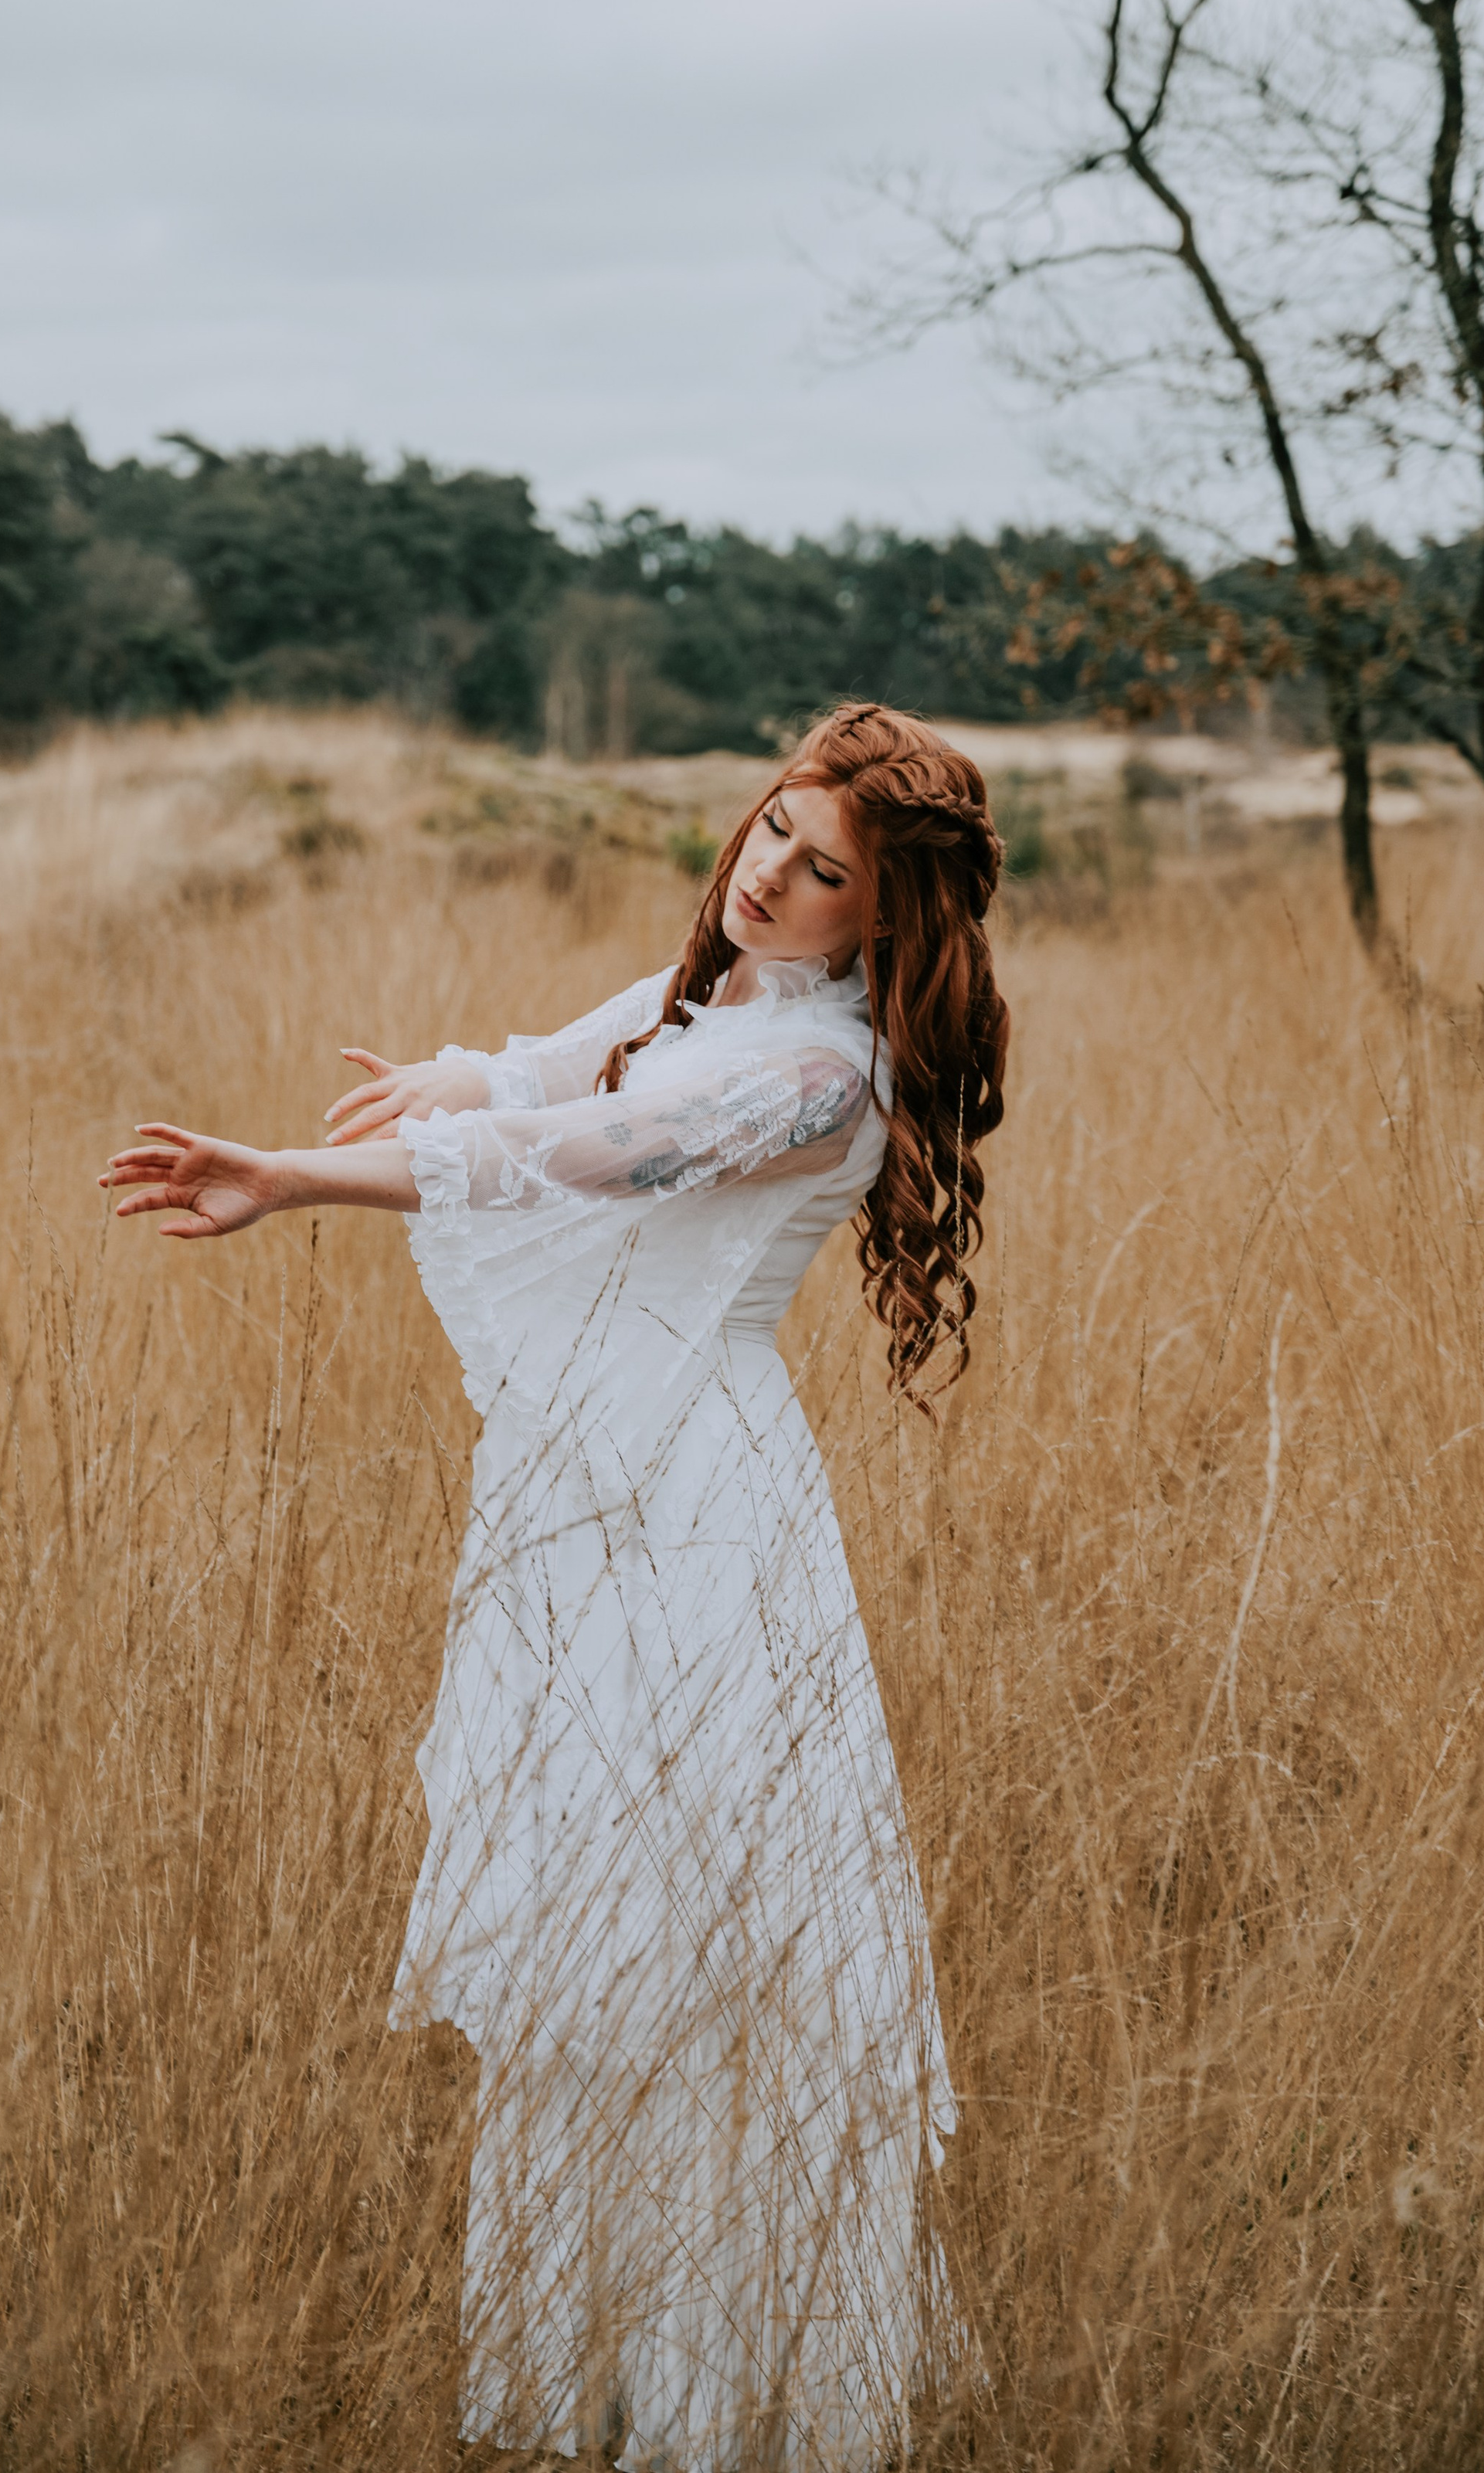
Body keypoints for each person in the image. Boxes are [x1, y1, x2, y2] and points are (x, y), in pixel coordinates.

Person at [100, 701, 1008, 2473]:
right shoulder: (715, 997)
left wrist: (289, 1178)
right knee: (599, 1935)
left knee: (696, 1936)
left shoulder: (814, 1072)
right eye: (768, 833)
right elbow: (550, 1073)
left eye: (823, 875)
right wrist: (457, 1075)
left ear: (884, 921)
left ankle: (717, 2395)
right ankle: (592, 2373)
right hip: (584, 1493)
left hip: (695, 1512)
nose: (768, 879)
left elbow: (585, 1154)